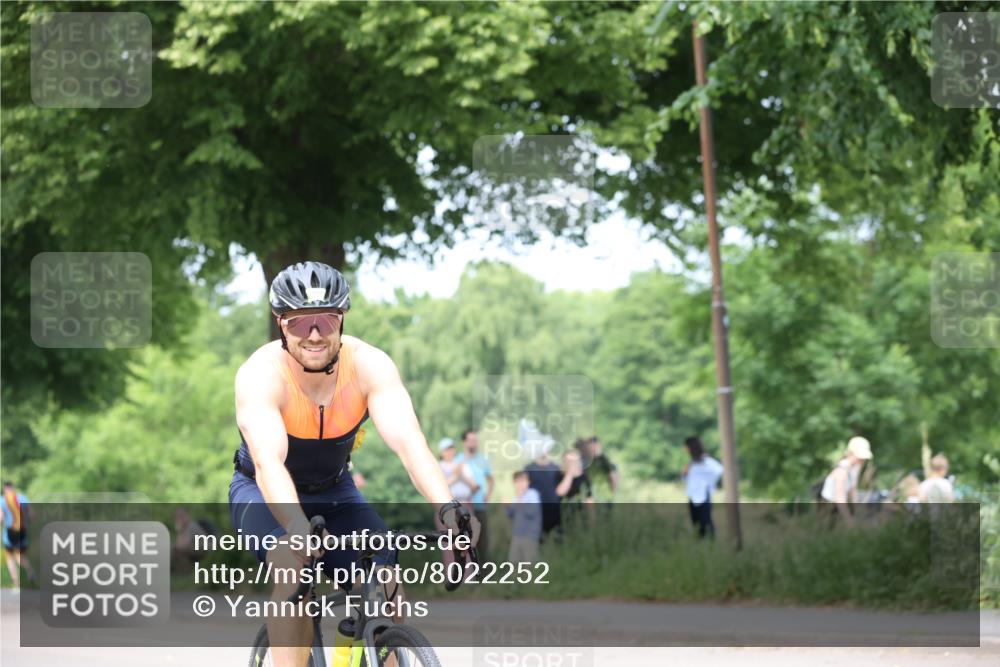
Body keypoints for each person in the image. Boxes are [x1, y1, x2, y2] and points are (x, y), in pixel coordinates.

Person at [229, 261, 479, 667]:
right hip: (261, 490)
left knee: (385, 579)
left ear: (342, 319)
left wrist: (448, 508)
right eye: (299, 322)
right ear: (280, 323)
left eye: (326, 321)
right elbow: (269, 462)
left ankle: (384, 654)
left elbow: (410, 443)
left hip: (335, 490)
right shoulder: (260, 374)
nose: (314, 334)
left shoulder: (369, 365)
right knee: (292, 567)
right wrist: (296, 527)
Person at [454, 429, 493, 560]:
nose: (473, 443)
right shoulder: (457, 460)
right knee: (464, 542)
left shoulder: (483, 460)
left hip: (480, 505)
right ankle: (466, 571)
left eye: (475, 440)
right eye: (470, 440)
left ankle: (485, 571)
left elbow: (491, 479)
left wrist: (488, 494)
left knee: (483, 543)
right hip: (463, 508)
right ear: (464, 442)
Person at [819, 435, 874, 527]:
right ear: (851, 453)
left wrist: (856, 510)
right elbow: (840, 498)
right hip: (830, 506)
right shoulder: (841, 471)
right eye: (860, 457)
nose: (862, 460)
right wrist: (848, 520)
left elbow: (853, 490)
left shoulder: (855, 467)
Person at [681, 436, 723, 538]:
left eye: (686, 447)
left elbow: (719, 470)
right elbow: (687, 480)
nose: (684, 449)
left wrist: (709, 484)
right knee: (696, 524)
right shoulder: (692, 463)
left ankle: (711, 543)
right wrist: (684, 473)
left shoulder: (706, 461)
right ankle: (700, 543)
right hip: (692, 496)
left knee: (706, 522)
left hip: (704, 495)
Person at [2, 481, 35, 591]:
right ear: (12, 488)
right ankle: (30, 570)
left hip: (9, 533)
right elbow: (32, 515)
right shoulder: (22, 498)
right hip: (23, 531)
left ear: (5, 489)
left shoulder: (2, 500)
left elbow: (1, 517)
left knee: (10, 557)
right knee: (21, 556)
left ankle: (17, 583)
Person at [506, 471, 542, 564]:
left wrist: (520, 499)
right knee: (513, 564)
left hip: (530, 536)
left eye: (522, 481)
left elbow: (531, 512)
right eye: (517, 481)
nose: (520, 484)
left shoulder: (533, 494)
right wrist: (507, 506)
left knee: (529, 565)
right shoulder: (516, 497)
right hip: (517, 535)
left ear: (528, 482)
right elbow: (511, 515)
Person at [579, 436, 618, 501]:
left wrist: (612, 492)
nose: (593, 449)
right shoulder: (586, 462)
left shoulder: (604, 461)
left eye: (595, 447)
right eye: (592, 447)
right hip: (591, 497)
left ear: (599, 446)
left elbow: (613, 477)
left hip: (604, 497)